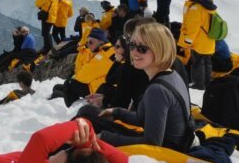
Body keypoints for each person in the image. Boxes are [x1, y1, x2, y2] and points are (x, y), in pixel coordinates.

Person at [77, 22, 193, 151]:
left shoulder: (157, 90)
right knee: (88, 112)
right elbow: (143, 118)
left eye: (142, 48)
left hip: (166, 149)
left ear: (159, 49)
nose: (134, 52)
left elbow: (152, 143)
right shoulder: (172, 75)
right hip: (169, 142)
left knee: (84, 120)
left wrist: (106, 137)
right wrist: (116, 113)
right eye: (132, 46)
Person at [50, 28, 115, 107]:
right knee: (59, 87)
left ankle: (72, 107)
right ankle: (65, 98)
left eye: (91, 42)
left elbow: (84, 74)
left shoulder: (105, 55)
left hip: (96, 90)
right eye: (87, 42)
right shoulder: (98, 51)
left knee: (69, 84)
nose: (88, 45)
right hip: (91, 85)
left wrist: (74, 78)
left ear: (100, 41)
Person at [181, 0, 217, 89]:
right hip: (209, 40)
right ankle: (207, 83)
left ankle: (198, 84)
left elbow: (193, 26)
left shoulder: (196, 8)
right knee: (207, 63)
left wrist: (188, 41)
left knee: (197, 63)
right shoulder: (210, 6)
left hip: (199, 41)